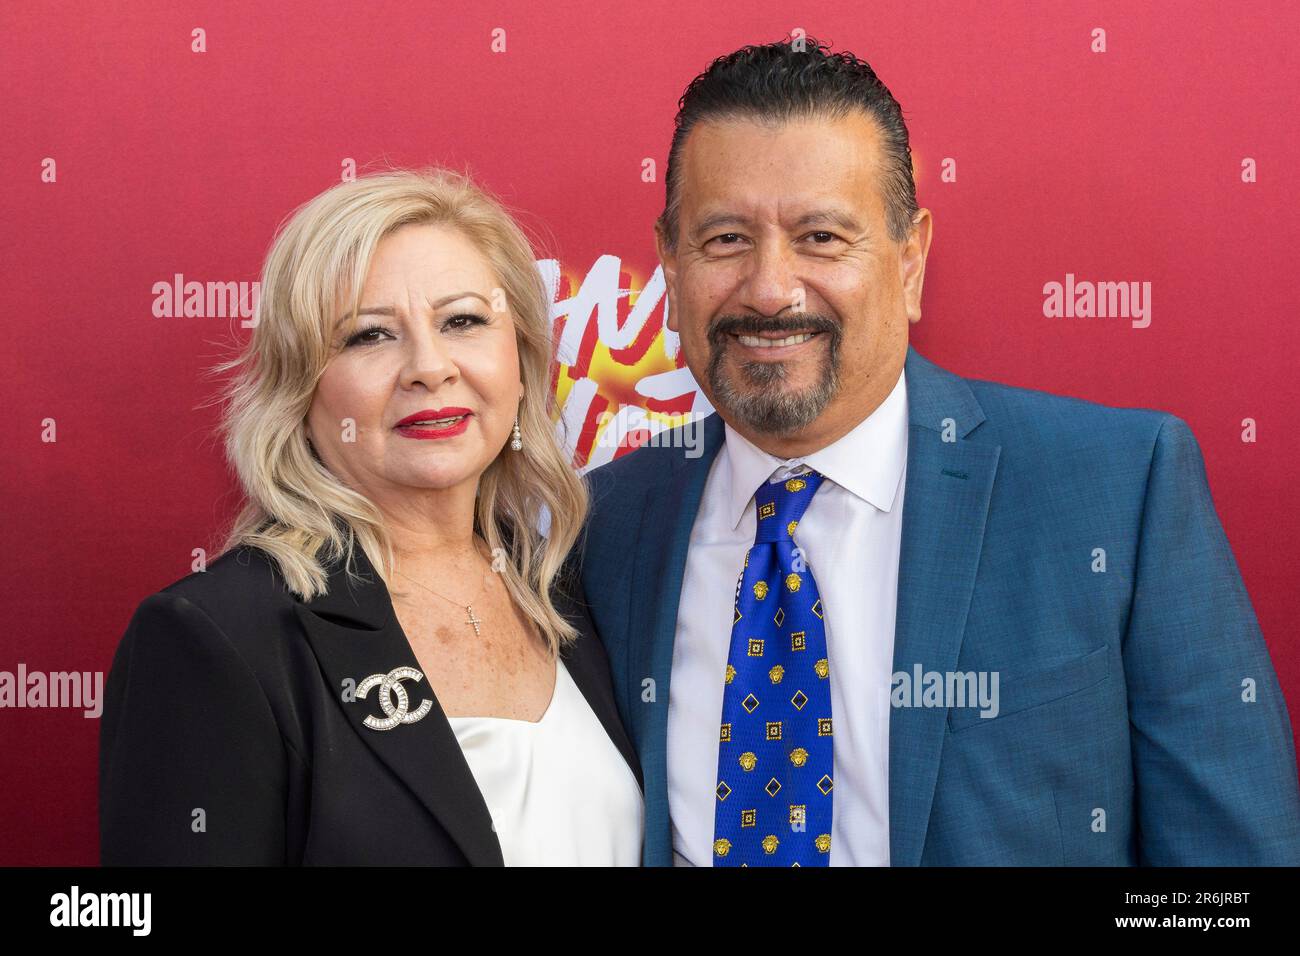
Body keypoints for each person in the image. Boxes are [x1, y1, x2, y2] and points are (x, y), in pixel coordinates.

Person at [577, 37, 1300, 866]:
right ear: (670, 262)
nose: (771, 288)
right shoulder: (604, 528)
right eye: (726, 240)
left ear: (910, 258)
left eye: (820, 235)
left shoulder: (1118, 491)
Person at [99, 167, 644, 865]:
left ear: (523, 358)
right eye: (369, 336)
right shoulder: (217, 637)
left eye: (463, 321)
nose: (429, 366)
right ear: (300, 386)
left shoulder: (574, 592)